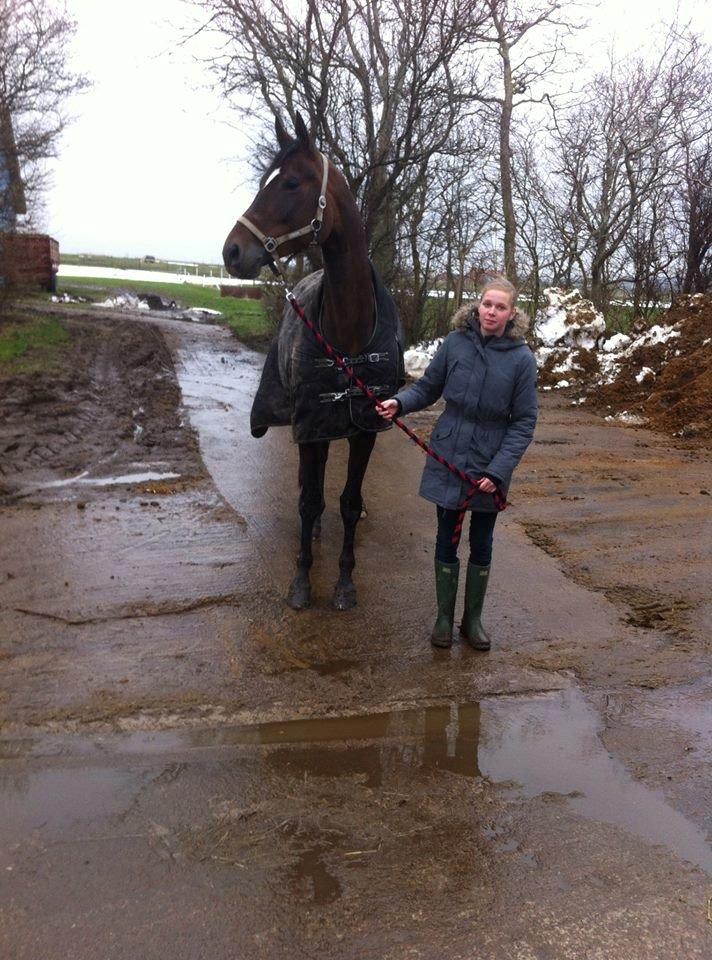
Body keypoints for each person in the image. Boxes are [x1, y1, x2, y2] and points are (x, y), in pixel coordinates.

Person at [377, 279, 538, 650]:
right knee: (445, 536)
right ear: (478, 306)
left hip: (489, 463)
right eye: (487, 304)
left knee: (482, 541)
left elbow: (524, 422)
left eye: (500, 307)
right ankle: (444, 618)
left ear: (513, 314)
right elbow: (428, 387)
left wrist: (497, 472)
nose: (492, 312)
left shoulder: (521, 360)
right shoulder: (454, 344)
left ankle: (473, 620)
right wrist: (399, 403)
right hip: (449, 454)